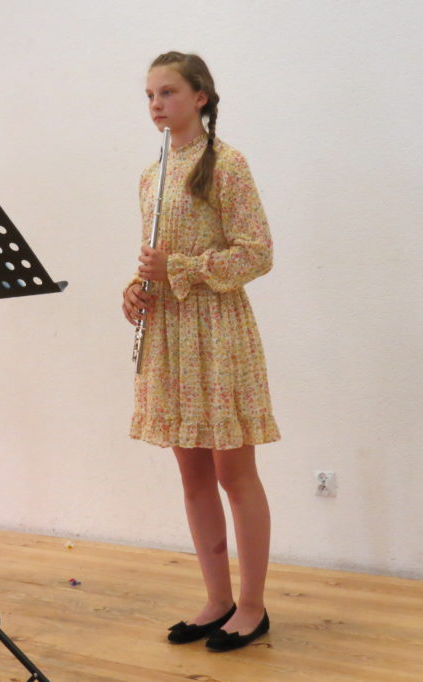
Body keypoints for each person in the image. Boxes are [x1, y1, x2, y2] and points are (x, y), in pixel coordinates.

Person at [121, 52, 280, 652]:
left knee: (233, 473)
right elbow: (155, 256)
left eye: (167, 92)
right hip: (170, 332)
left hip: (217, 332)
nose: (156, 104)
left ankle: (253, 606)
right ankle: (217, 599)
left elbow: (257, 253)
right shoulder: (151, 175)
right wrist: (136, 286)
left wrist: (180, 269)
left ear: (200, 97)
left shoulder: (227, 164)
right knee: (192, 475)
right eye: (149, 95)